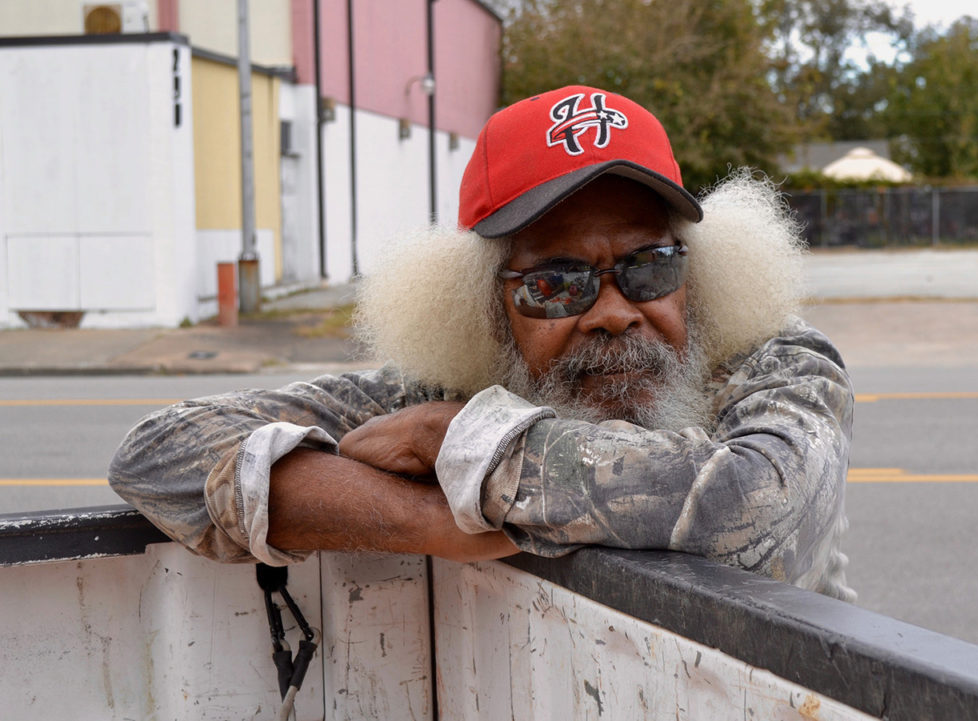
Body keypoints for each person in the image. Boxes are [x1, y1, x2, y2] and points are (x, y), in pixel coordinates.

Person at [109, 85, 855, 601]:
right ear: (485, 308)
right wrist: (430, 523)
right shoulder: (445, 380)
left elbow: (755, 502)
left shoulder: (777, 364)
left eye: (649, 266)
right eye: (557, 284)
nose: (613, 313)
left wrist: (465, 447)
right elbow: (157, 456)